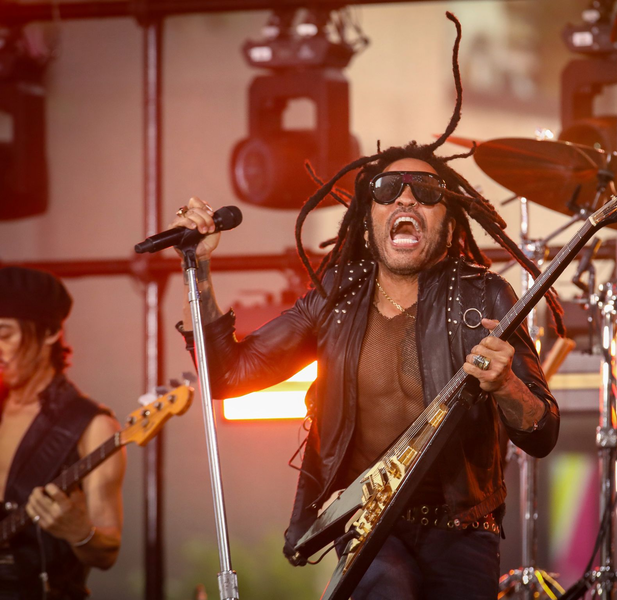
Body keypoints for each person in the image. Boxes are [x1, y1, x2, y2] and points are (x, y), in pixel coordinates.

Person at [174, 13, 560, 599]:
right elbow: (228, 376)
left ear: (446, 216)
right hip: (368, 524)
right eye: (387, 190)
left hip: (465, 531)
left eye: (426, 192)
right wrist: (199, 269)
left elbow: (542, 431)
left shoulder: (485, 296)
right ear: (370, 215)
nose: (405, 197)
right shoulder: (339, 297)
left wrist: (506, 385)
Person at [0, 267, 125, 600]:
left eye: (4, 334)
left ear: (50, 332)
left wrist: (80, 532)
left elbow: (107, 553)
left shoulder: (90, 426)